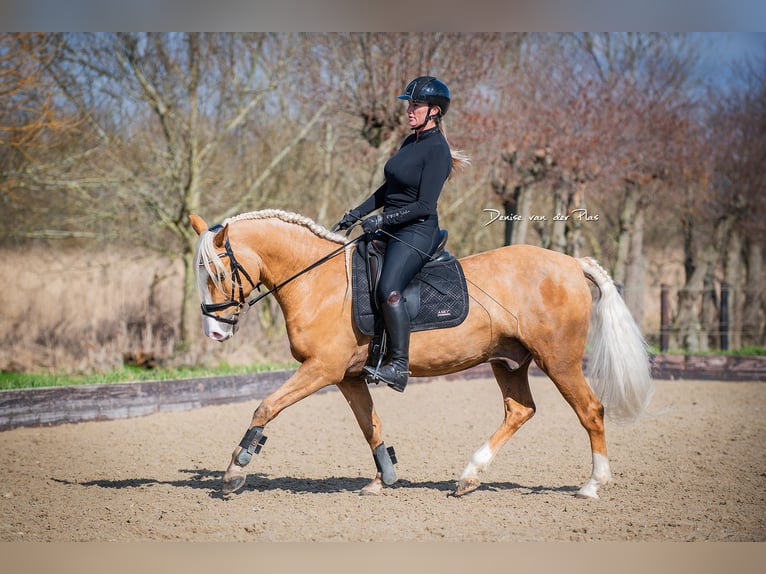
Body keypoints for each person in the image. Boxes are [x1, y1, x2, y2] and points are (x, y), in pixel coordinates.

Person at [335, 75, 469, 392]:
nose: (409, 109)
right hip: (393, 226)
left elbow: (424, 205)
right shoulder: (411, 142)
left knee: (389, 289)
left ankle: (398, 365)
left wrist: (382, 222)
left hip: (417, 232)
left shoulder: (437, 149)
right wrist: (357, 213)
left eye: (416, 105)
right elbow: (389, 189)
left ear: (434, 111)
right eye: (409, 104)